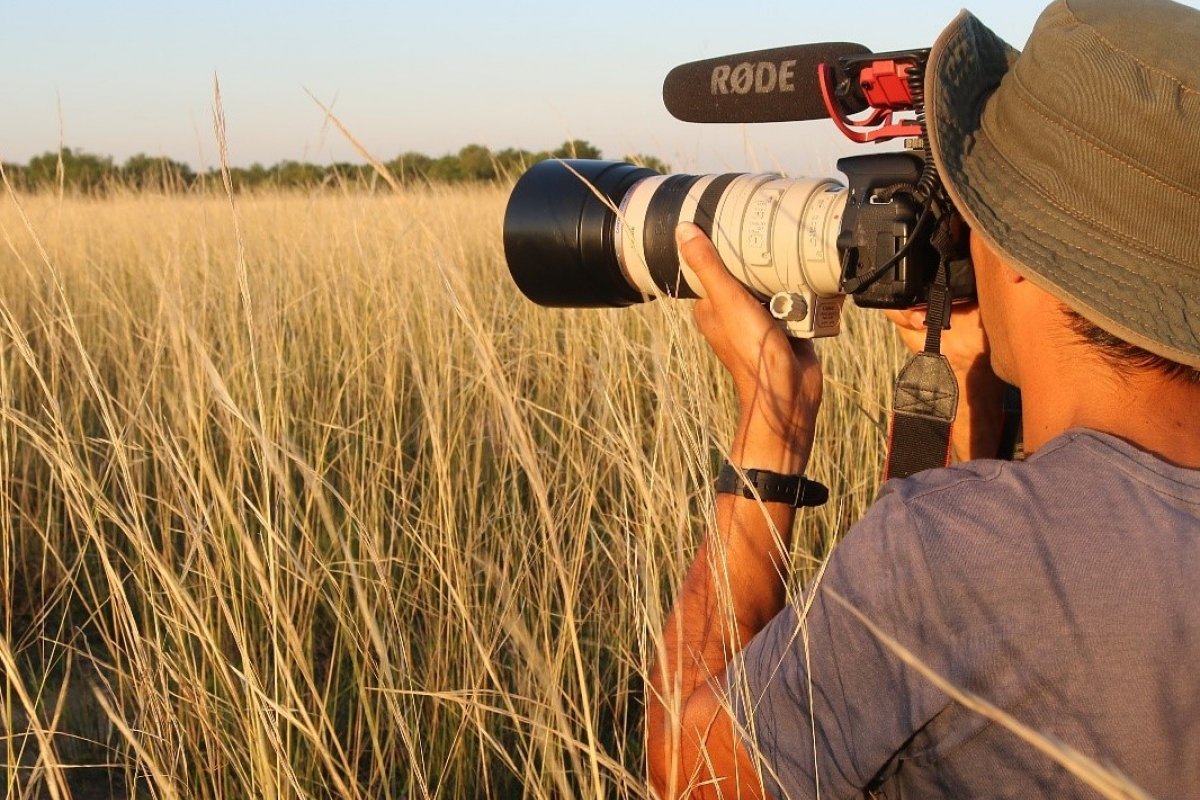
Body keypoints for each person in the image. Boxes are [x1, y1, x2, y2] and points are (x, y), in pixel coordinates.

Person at [645, 0, 1200, 797]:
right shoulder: (972, 549)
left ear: (1017, 252)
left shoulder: (947, 558)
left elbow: (689, 771)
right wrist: (965, 386)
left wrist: (774, 419)